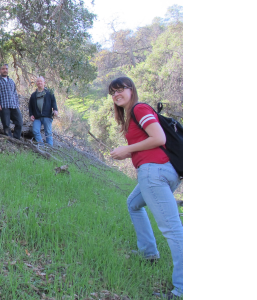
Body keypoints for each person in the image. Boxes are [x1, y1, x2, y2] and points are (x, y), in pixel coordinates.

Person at [107, 76, 182, 299]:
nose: (116, 94)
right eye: (112, 92)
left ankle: (182, 289)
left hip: (154, 172)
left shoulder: (140, 108)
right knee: (133, 204)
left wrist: (127, 149)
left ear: (132, 89)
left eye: (121, 89)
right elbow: (148, 142)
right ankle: (149, 253)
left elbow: (158, 137)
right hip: (156, 171)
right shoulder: (130, 116)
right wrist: (127, 153)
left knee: (172, 229)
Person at [0, 64, 23, 139]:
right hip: (3, 106)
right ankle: (9, 139)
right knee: (6, 125)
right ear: (0, 70)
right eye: (3, 69)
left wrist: (17, 103)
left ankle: (16, 138)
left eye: (6, 69)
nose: (5, 70)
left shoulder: (11, 81)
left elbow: (15, 93)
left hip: (14, 105)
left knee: (19, 122)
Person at [27, 76, 58, 146]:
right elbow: (30, 106)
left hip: (47, 116)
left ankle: (50, 148)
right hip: (37, 117)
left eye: (41, 81)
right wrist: (31, 115)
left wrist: (55, 110)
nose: (39, 83)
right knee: (35, 131)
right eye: (38, 81)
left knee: (48, 132)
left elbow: (53, 102)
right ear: (36, 83)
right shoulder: (33, 95)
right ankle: (41, 146)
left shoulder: (49, 92)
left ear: (44, 83)